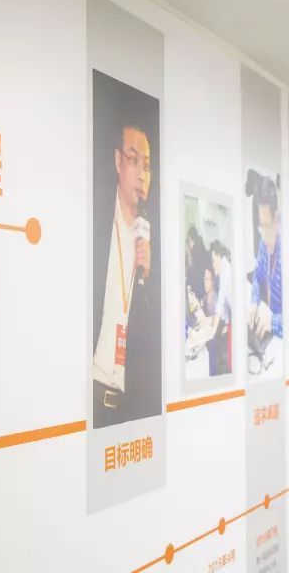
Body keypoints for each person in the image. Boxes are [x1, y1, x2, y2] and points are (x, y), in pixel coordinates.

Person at [92, 119, 159, 428]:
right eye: (134, 160)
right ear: (118, 161)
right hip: (89, 398)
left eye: (148, 166)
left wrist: (150, 275)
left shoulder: (150, 240)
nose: (142, 174)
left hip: (130, 409)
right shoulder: (97, 223)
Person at [249, 176, 283, 341]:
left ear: (276, 219)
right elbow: (257, 276)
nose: (263, 234)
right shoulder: (263, 245)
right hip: (269, 337)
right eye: (260, 227)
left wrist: (273, 322)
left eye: (266, 226)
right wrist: (254, 301)